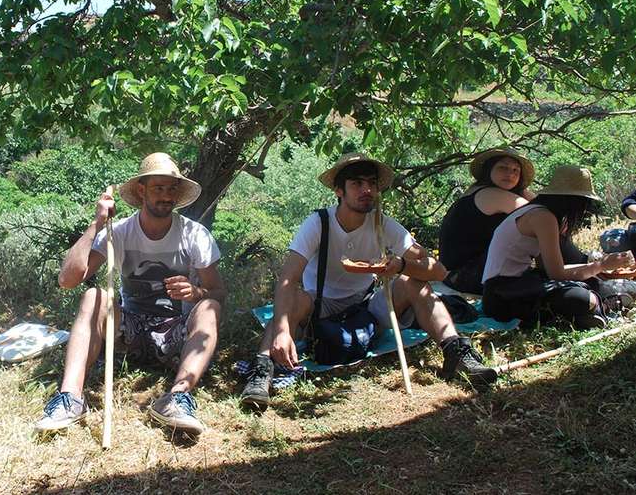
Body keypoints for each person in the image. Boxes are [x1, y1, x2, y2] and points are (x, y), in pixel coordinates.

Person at [240, 153, 497, 408]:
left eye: (372, 184)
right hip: (319, 305)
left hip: (366, 305)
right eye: (357, 184)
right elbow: (288, 277)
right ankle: (262, 371)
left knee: (414, 282)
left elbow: (438, 271)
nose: (367, 190)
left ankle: (456, 353)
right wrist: (284, 331)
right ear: (339, 190)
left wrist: (402, 265)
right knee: (292, 301)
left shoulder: (383, 225)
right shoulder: (319, 223)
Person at [34, 153, 225, 436]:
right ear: (141, 190)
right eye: (158, 188)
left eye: (172, 189)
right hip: (129, 331)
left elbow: (219, 293)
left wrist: (197, 292)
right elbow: (69, 280)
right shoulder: (119, 232)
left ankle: (177, 399)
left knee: (209, 307)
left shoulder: (194, 235)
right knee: (92, 297)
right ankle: (70, 399)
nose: (166, 196)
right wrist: (97, 223)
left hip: (176, 334)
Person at [482, 165, 633, 328]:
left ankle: (591, 309)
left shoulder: (537, 212)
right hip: (502, 295)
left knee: (588, 280)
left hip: (514, 287)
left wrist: (594, 269)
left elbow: (546, 270)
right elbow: (557, 274)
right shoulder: (543, 217)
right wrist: (602, 265)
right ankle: (598, 307)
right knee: (580, 297)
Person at [438, 148, 535, 295]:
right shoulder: (490, 194)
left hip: (464, 273)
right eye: (503, 167)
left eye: (516, 171)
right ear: (489, 169)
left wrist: (523, 190)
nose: (510, 174)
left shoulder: (485, 191)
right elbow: (542, 216)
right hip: (463, 276)